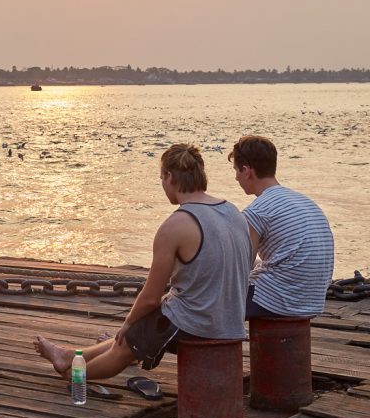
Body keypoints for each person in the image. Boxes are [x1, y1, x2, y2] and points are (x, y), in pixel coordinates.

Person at [34, 144, 252, 382]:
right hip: (231, 322)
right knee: (145, 324)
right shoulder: (232, 211)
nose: (162, 184)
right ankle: (69, 355)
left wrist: (127, 322)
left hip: (199, 325)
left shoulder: (176, 225)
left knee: (129, 338)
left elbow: (149, 297)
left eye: (161, 178)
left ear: (169, 176)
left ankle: (72, 374)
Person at [230, 135, 335, 319]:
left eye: (236, 171)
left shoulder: (256, 212)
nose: (236, 178)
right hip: (312, 300)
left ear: (247, 170)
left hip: (279, 302)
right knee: (259, 265)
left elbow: (240, 271)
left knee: (206, 301)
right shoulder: (304, 202)